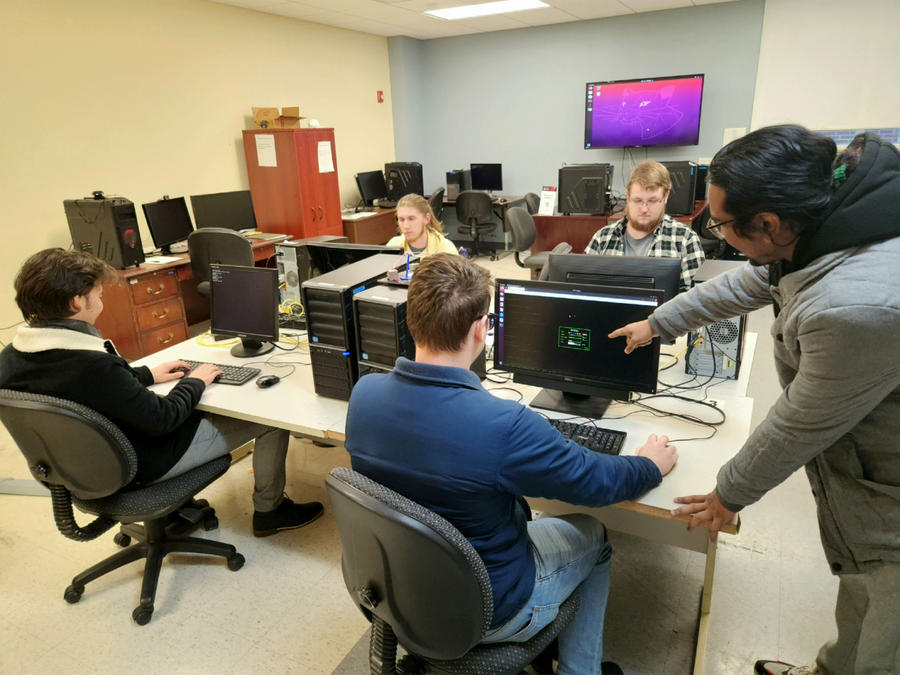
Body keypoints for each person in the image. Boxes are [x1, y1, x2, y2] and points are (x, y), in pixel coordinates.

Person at [608, 126, 900, 675]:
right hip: (871, 475)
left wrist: (728, 493)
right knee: (862, 594)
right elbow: (743, 284)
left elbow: (799, 424)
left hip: (891, 493)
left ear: (766, 224)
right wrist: (656, 324)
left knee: (889, 633)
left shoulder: (855, 304)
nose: (715, 233)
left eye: (720, 224)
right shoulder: (825, 227)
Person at [345, 253, 678, 674]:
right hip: (490, 606)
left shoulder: (365, 395)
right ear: (482, 329)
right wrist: (648, 464)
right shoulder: (504, 424)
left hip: (401, 588)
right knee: (595, 535)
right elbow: (598, 483)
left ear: (411, 319)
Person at [0, 248, 323, 537]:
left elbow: (87, 389)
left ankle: (182, 511)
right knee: (270, 417)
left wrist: (145, 374)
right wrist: (195, 381)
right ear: (77, 302)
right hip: (140, 464)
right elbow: (163, 419)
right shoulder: (91, 365)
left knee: (204, 405)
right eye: (98, 295)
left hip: (80, 465)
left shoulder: (13, 358)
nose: (101, 302)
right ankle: (270, 511)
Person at [584, 160, 705, 292]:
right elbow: (581, 288)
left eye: (652, 201)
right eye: (637, 201)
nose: (644, 209)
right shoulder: (603, 238)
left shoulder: (685, 239)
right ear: (628, 196)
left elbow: (695, 300)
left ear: (665, 196)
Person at [386, 193, 458, 256]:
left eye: (411, 219)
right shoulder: (393, 246)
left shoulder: (446, 250)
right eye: (401, 220)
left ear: (427, 219)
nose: (406, 226)